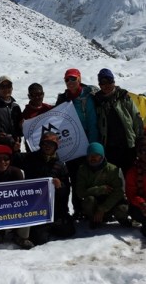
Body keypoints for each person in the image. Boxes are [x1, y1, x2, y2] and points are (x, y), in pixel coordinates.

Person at [55, 68, 99, 218]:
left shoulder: (87, 97)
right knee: (74, 177)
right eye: (67, 80)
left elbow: (92, 122)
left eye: (73, 79)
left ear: (79, 79)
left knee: (88, 177)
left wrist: (92, 146)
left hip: (86, 144)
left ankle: (91, 209)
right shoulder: (63, 99)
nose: (70, 82)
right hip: (71, 145)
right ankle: (78, 209)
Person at [19, 132, 74, 244]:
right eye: (45, 144)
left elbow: (66, 191)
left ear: (56, 147)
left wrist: (60, 186)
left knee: (68, 231)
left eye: (51, 144)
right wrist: (14, 149)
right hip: (37, 210)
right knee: (39, 239)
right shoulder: (30, 159)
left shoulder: (60, 165)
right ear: (41, 145)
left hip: (55, 209)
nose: (48, 146)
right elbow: (13, 160)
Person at [93, 68, 143, 173]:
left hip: (128, 145)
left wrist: (139, 139)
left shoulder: (124, 96)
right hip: (109, 147)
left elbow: (136, 118)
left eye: (109, 81)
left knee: (130, 175)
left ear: (114, 82)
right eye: (103, 82)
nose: (106, 85)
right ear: (99, 84)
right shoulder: (97, 101)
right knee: (112, 178)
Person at [76, 142, 131, 229]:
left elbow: (119, 192)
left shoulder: (113, 169)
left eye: (96, 155)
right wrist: (99, 190)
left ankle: (122, 219)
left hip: (110, 203)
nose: (93, 158)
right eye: (90, 155)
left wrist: (102, 208)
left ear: (102, 156)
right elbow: (80, 192)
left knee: (123, 209)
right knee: (88, 200)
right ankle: (94, 219)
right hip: (94, 203)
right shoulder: (82, 170)